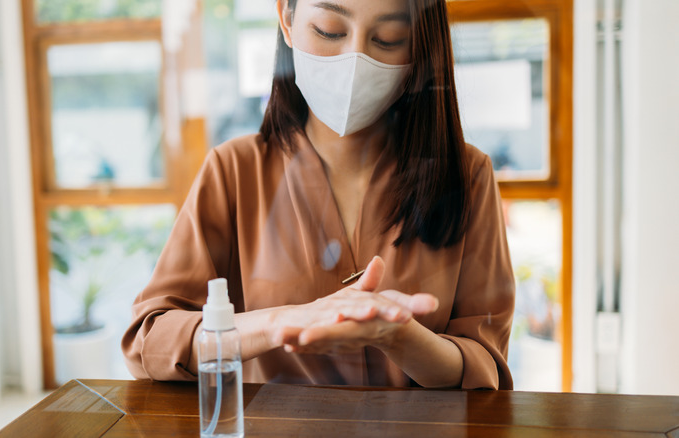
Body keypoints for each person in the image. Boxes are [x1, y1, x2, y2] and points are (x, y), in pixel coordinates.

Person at [122, 0, 515, 390]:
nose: (354, 59)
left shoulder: (467, 175)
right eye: (329, 30)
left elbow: (486, 367)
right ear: (287, 19)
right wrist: (281, 323)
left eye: (388, 38)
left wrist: (399, 337)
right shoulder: (233, 171)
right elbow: (151, 339)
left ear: (420, 48)